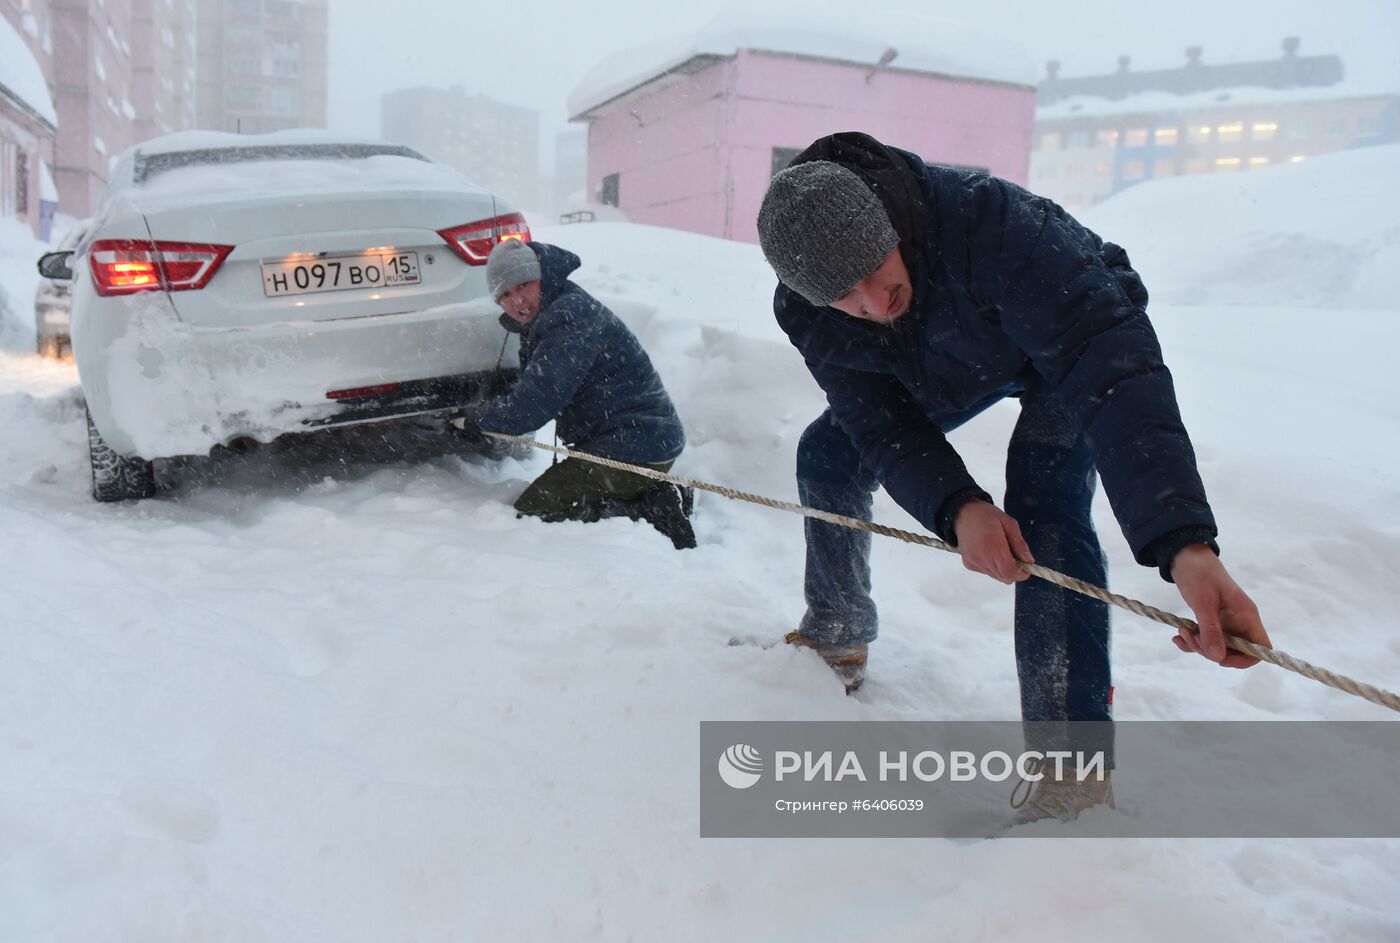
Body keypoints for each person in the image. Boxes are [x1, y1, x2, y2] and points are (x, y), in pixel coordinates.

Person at [756, 131, 1272, 821]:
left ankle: (1071, 772)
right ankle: (838, 627)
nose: (873, 302)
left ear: (887, 222)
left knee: (1046, 499)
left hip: (1065, 341)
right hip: (951, 354)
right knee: (827, 453)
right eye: (846, 298)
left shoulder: (996, 227)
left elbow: (1115, 373)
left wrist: (1186, 546)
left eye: (876, 271)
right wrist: (958, 505)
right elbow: (878, 422)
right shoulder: (810, 311)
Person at [463, 238, 695, 550]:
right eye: (505, 294)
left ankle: (654, 508)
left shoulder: (567, 318)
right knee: (546, 503)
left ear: (542, 278)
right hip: (639, 441)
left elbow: (531, 407)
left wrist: (475, 418)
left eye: (523, 285)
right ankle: (648, 491)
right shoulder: (556, 311)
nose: (517, 300)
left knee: (537, 509)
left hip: (635, 447)